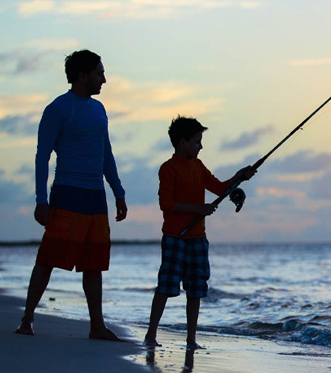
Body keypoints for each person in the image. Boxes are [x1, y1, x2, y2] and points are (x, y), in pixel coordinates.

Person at [15, 49, 128, 341]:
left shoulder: (99, 109)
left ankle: (97, 325)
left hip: (95, 198)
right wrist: (41, 201)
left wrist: (118, 192)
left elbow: (106, 154)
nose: (104, 79)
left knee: (95, 263)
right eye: (100, 73)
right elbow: (42, 157)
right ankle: (27, 318)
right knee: (48, 258)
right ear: (83, 75)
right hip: (66, 195)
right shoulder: (58, 109)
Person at [144, 116, 255, 349]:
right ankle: (151, 334)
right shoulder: (168, 169)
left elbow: (220, 188)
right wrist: (199, 209)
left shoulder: (199, 166)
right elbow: (166, 204)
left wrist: (239, 175)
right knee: (166, 286)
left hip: (198, 239)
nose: (200, 146)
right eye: (197, 142)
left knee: (195, 290)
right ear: (182, 142)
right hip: (175, 237)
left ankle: (191, 339)